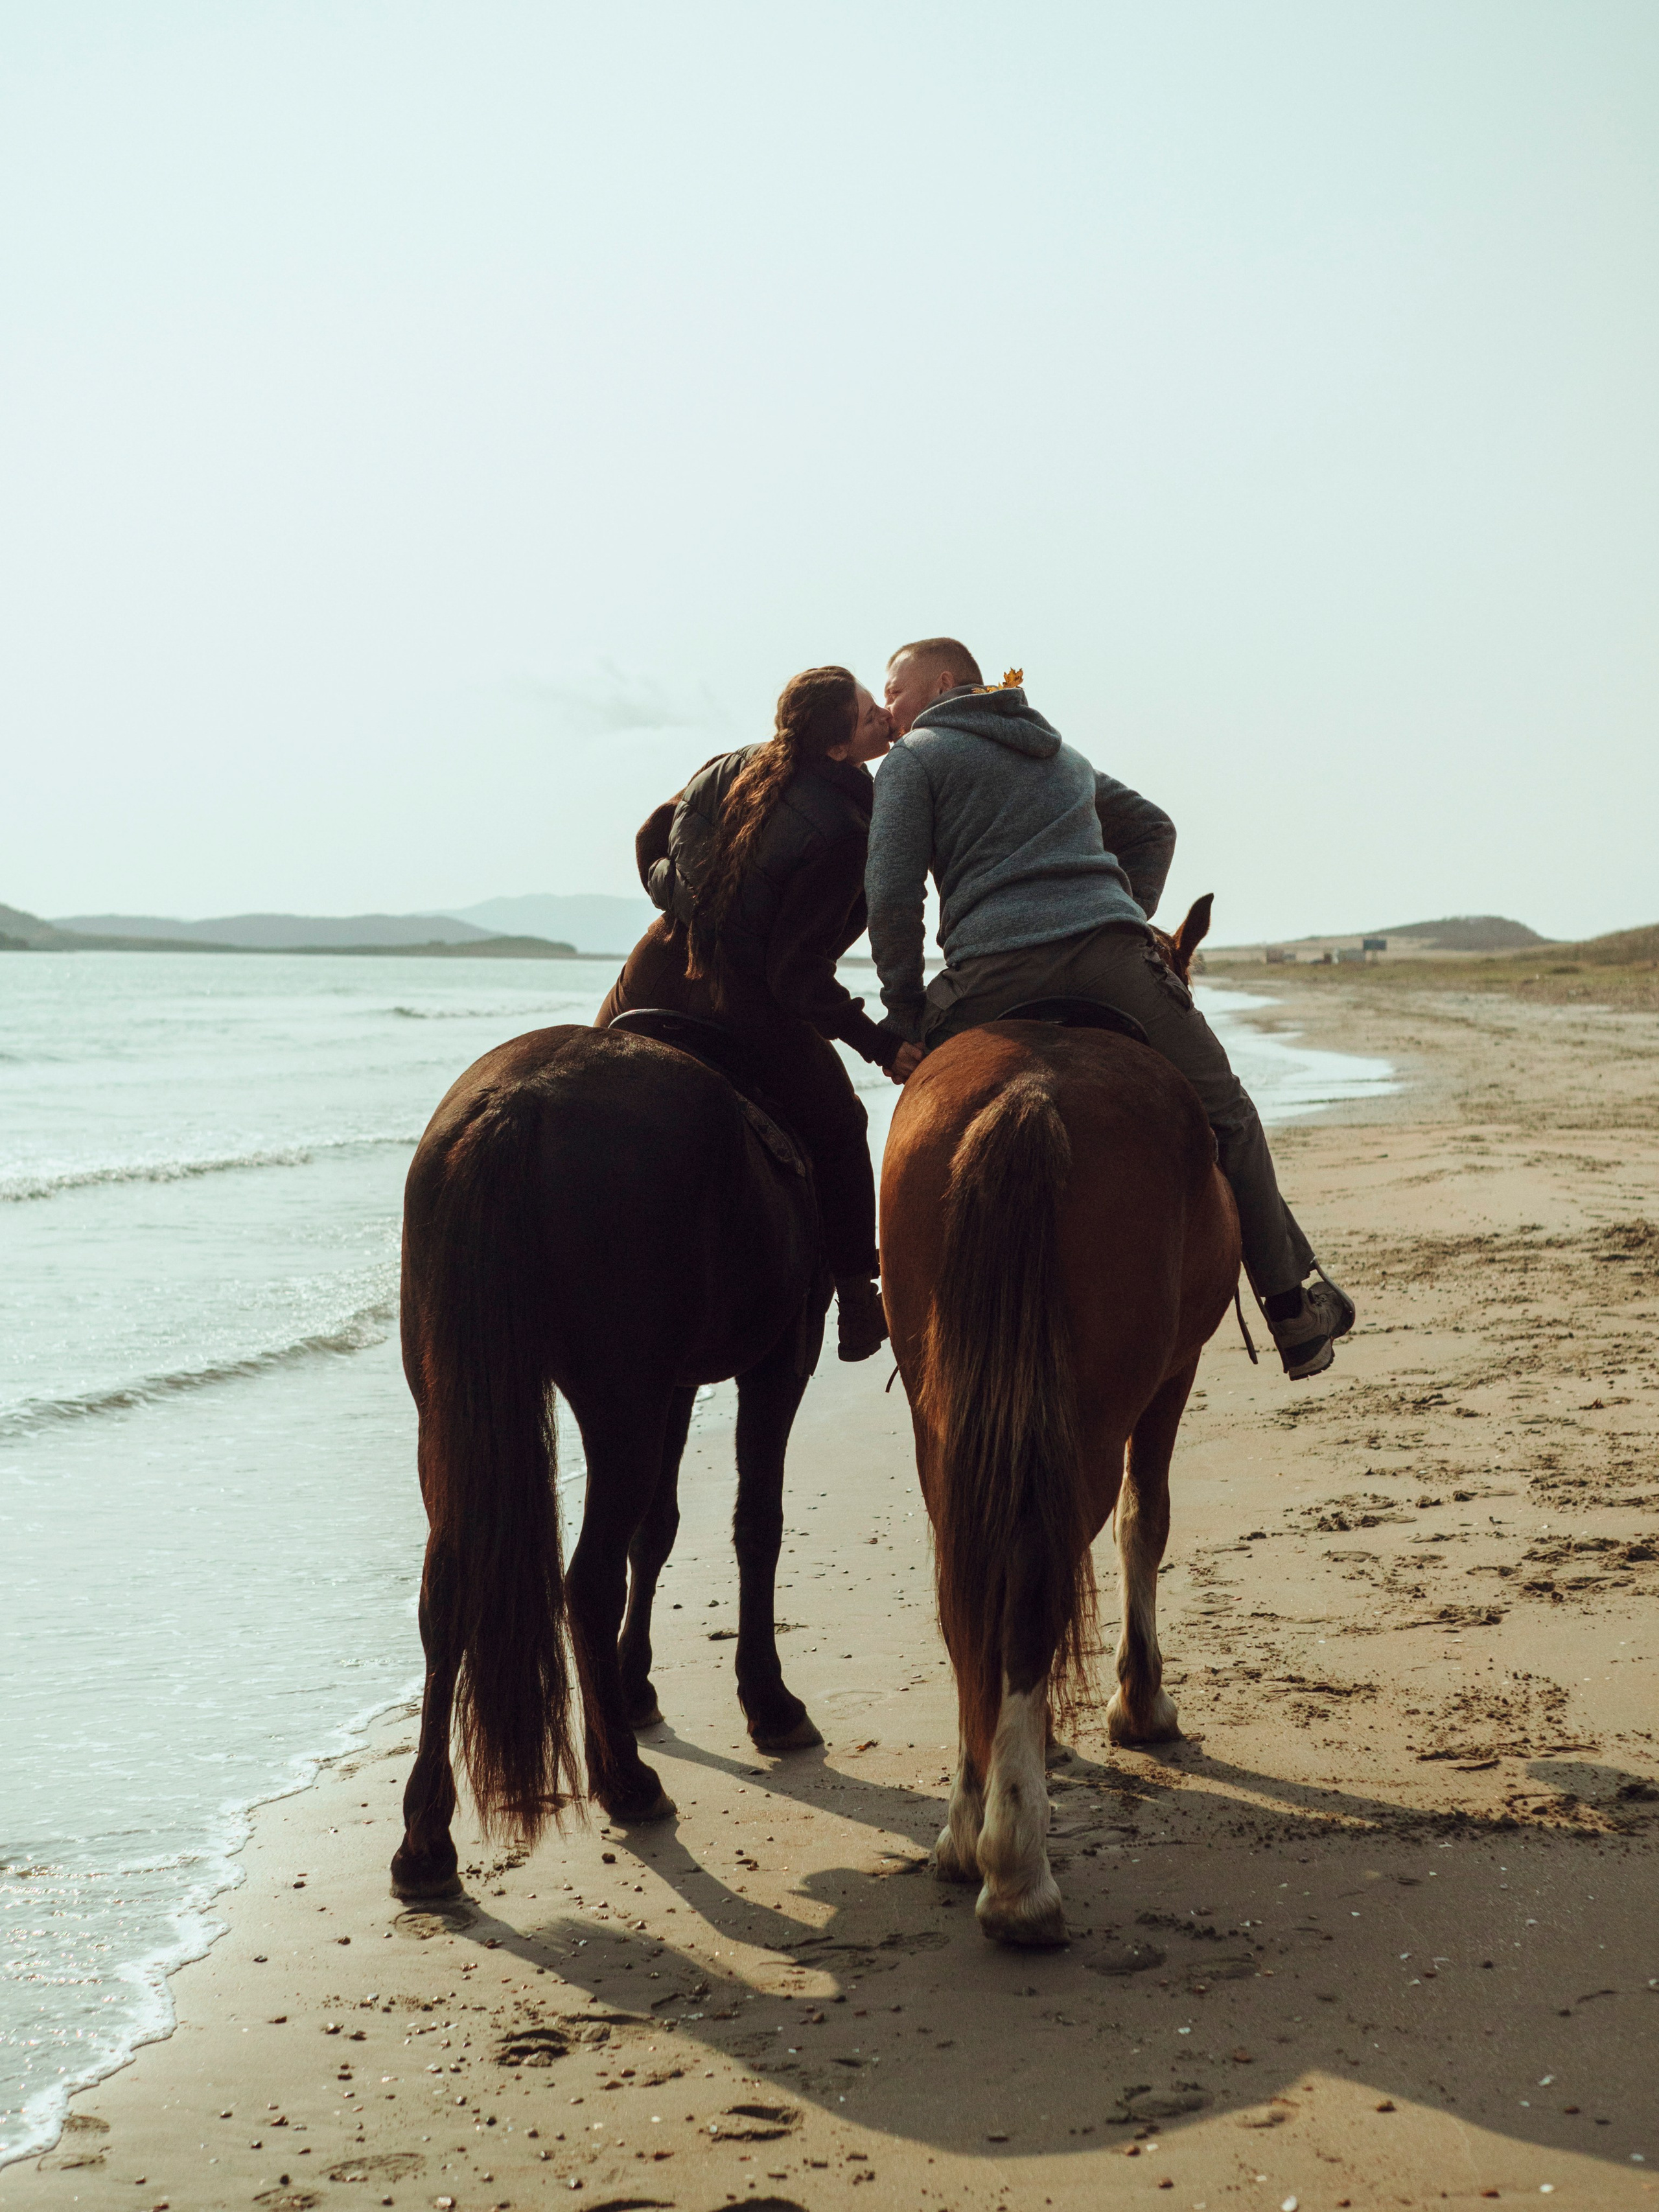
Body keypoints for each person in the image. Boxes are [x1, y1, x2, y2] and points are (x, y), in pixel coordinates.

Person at [865, 636, 1354, 1380]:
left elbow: (893, 899)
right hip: (1114, 960)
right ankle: (1292, 1312)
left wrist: (903, 1011)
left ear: (939, 685)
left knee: (917, 1120)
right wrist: (1123, 909)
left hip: (991, 972)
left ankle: (882, 1289)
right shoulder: (1058, 755)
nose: (888, 709)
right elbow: (1154, 826)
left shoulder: (915, 759)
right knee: (1227, 1114)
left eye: (893, 690)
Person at [597, 665, 909, 1362]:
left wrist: (676, 900)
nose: (881, 718)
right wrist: (880, 1044)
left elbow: (651, 837)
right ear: (835, 748)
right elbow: (794, 977)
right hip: (742, 1001)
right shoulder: (846, 830)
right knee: (840, 1124)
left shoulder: (727, 764)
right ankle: (857, 1299)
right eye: (867, 715)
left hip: (655, 972)